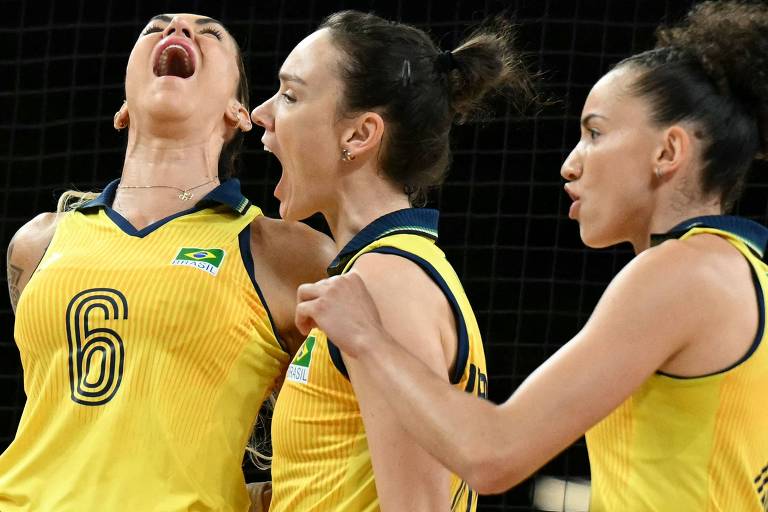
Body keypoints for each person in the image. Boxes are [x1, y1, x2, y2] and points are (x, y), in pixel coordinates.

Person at [293, 2, 768, 510]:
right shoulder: (745, 272)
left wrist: (367, 337)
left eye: (596, 133)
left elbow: (491, 454)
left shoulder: (681, 273)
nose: (569, 164)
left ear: (668, 151)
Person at [0, 13, 334, 512]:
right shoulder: (37, 242)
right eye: (155, 28)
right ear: (123, 108)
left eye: (210, 33)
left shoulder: (284, 253)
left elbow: (339, 434)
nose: (177, 31)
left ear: (239, 111)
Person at [249, 10, 532, 512]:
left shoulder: (385, 285)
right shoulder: (383, 272)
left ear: (359, 135)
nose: (261, 114)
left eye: (291, 96)